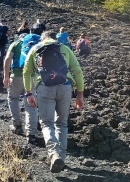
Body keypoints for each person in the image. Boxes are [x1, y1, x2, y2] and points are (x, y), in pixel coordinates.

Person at [22, 30, 85, 173]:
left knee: (47, 123)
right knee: (62, 123)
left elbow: (27, 72)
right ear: (55, 38)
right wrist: (80, 94)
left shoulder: (35, 49)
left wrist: (28, 93)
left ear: (42, 39)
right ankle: (61, 157)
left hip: (44, 88)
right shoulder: (64, 48)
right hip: (65, 88)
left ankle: (53, 153)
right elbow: (77, 71)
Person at [3, 33, 38, 142]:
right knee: (30, 104)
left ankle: (17, 125)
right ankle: (31, 133)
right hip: (31, 78)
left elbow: (8, 59)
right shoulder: (36, 45)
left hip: (16, 76)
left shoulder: (15, 44)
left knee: (13, 99)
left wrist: (6, 76)